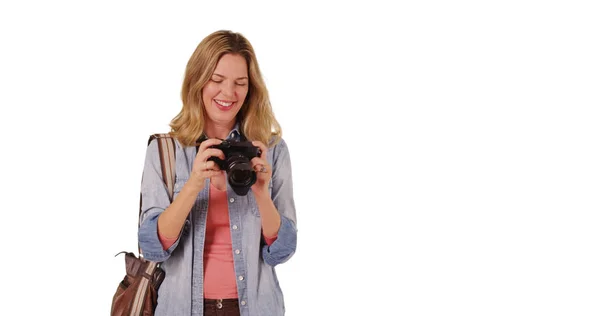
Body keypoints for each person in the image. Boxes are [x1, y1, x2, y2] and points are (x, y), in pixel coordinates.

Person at [138, 30, 298, 316]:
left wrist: (262, 193)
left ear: (251, 89)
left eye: (240, 83)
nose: (228, 93)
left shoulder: (271, 150)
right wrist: (193, 184)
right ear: (198, 81)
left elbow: (283, 250)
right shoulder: (166, 150)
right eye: (217, 80)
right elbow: (151, 247)